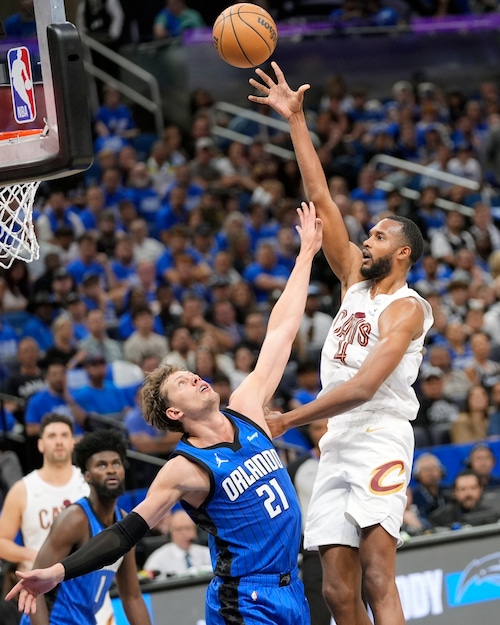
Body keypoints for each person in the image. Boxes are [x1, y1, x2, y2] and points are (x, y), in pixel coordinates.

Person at [6, 201, 322, 625]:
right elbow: (124, 534)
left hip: (293, 587)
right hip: (245, 599)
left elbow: (280, 332)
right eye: (183, 382)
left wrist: (305, 256)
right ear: (173, 412)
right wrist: (58, 572)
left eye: (193, 374)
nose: (195, 378)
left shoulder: (247, 410)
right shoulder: (184, 468)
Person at [248, 62, 433, 625]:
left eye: (379, 235)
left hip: (380, 432)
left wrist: (288, 421)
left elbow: (363, 386)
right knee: (333, 590)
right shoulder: (355, 277)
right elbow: (322, 199)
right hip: (337, 440)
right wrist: (296, 121)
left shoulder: (408, 307)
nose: (367, 238)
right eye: (369, 233)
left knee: (378, 575)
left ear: (403, 253)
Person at [16, 429, 152, 625]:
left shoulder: (124, 523)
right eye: (101, 465)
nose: (111, 469)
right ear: (87, 476)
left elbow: (132, 597)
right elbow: (34, 587)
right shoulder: (74, 519)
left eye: (116, 463)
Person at [143, 508, 211, 577]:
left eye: (188, 528)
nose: (184, 533)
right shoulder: (157, 559)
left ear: (196, 531)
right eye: (179, 529)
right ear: (170, 533)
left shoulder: (207, 554)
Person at [428, 469, 500, 529]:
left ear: (480, 489)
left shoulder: (493, 516)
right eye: (463, 489)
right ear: (455, 492)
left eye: (473, 488)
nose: (468, 493)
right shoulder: (439, 519)